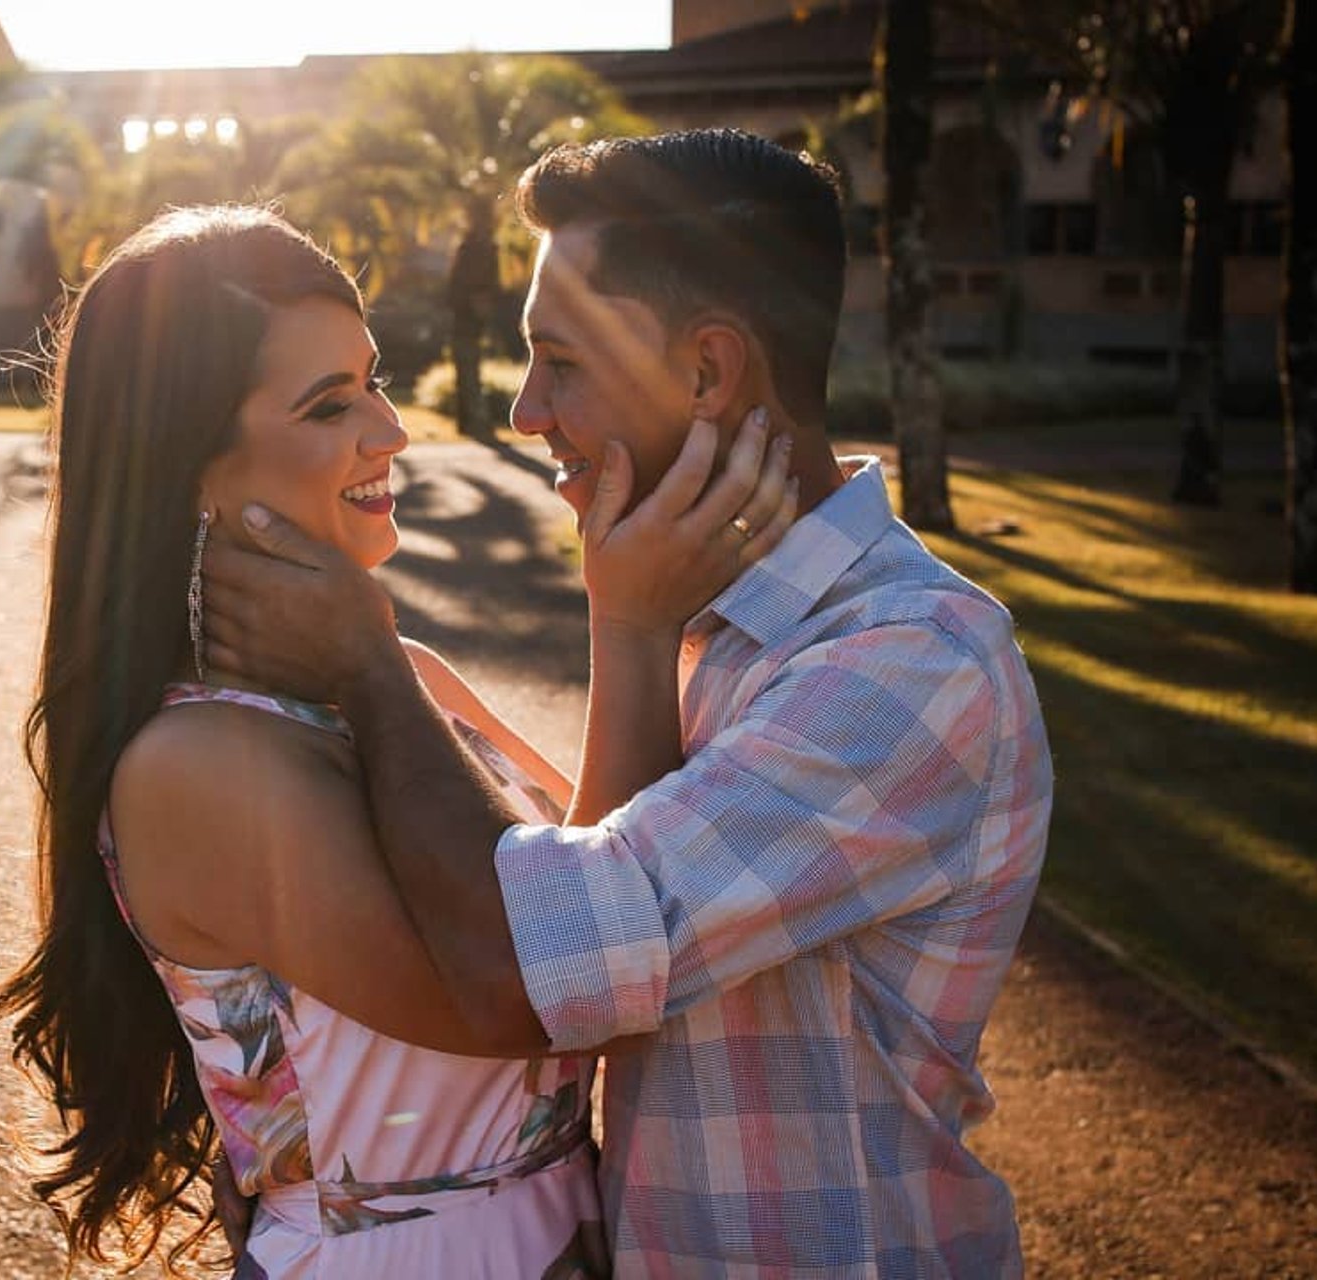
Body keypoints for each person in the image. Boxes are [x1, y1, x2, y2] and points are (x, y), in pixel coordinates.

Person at [202, 129, 1055, 1276]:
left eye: (561, 360)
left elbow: (534, 963)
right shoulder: (725, 620)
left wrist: (368, 664)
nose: (524, 411)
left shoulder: (905, 663)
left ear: (707, 372)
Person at [0, 203, 798, 1278]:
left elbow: (606, 887)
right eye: (329, 405)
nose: (390, 429)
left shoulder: (402, 679)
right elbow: (555, 996)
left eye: (373, 377)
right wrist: (630, 622)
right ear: (189, 469)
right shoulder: (193, 766)